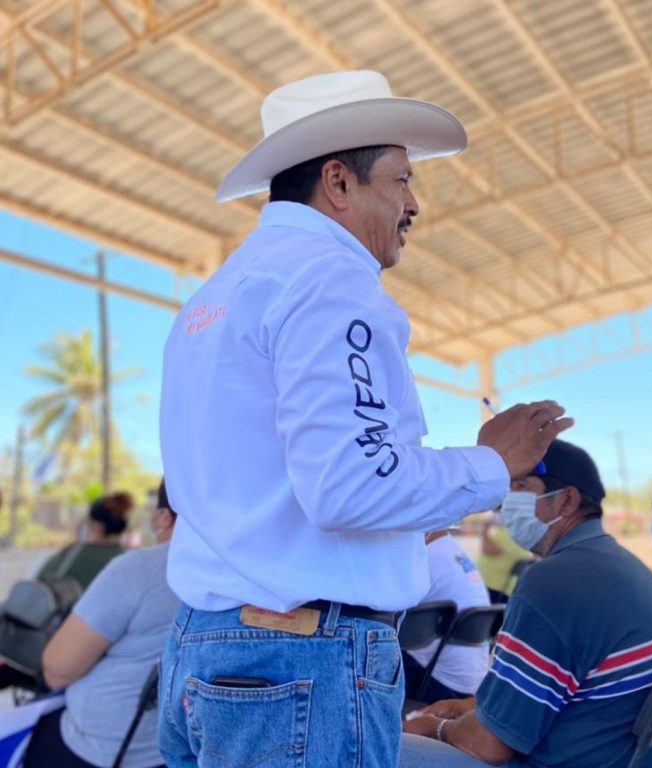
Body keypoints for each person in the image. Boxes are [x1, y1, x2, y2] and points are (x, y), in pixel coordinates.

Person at [158, 69, 573, 768]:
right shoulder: (330, 278)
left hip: (209, 647)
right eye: (401, 181)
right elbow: (351, 487)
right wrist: (493, 464)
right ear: (339, 184)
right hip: (300, 663)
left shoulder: (212, 301)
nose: (414, 204)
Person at [402, 440, 652, 768]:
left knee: (374, 748)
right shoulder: (622, 566)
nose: (504, 502)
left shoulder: (553, 579)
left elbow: (488, 746)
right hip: (622, 754)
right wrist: (471, 707)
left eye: (521, 486)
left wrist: (436, 729)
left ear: (567, 500)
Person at [23, 479, 178, 768]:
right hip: (180, 752)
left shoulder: (137, 568)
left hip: (101, 747)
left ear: (163, 518)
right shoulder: (243, 574)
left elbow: (58, 669)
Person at [0, 492, 134, 692]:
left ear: (94, 525)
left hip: (42, 655)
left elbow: (34, 592)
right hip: (96, 664)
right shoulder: (129, 563)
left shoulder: (70, 554)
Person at [403, 530, 491, 703]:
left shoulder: (427, 557)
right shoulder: (454, 551)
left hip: (436, 681)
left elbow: (387, 609)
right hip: (471, 681)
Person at [475, 513, 531, 604]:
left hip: (491, 585)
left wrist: (485, 529)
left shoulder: (504, 536)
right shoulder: (525, 542)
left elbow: (487, 548)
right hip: (507, 589)